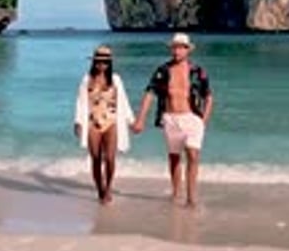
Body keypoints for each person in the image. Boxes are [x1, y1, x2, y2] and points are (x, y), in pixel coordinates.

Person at [132, 33, 213, 207]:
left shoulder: (197, 71)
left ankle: (191, 198)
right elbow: (149, 93)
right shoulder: (163, 70)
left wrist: (203, 121)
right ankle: (177, 193)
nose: (176, 51)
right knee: (174, 157)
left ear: (187, 50)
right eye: (174, 47)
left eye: (180, 47)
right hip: (170, 118)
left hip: (192, 119)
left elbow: (209, 96)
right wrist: (140, 119)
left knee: (193, 155)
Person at [74, 45, 134, 204]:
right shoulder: (86, 79)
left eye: (105, 62)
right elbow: (80, 102)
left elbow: (124, 101)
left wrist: (131, 121)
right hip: (93, 122)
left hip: (112, 121)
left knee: (110, 158)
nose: (102, 65)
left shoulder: (116, 79)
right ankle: (100, 188)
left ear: (109, 64)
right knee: (95, 158)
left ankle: (108, 187)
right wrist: (78, 122)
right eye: (99, 62)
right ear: (94, 62)